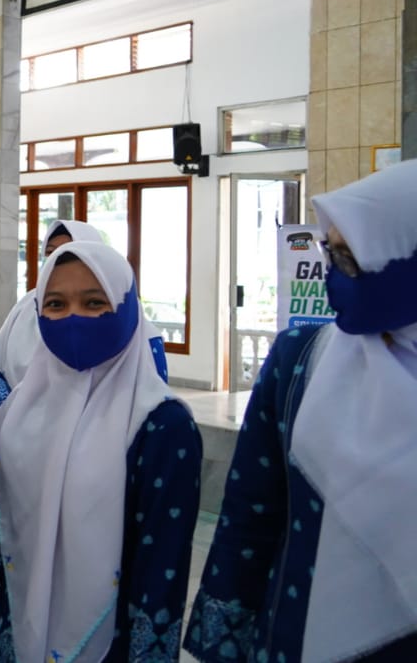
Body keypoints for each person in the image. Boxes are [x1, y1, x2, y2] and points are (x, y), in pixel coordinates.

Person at [184, 160, 417, 662]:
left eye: (352, 259)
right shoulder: (300, 361)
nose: (333, 276)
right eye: (328, 253)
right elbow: (250, 515)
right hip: (295, 633)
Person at [0, 241, 202, 663]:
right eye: (55, 303)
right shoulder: (21, 412)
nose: (73, 318)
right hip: (16, 635)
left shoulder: (160, 424)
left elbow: (162, 575)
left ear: (126, 308)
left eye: (94, 302)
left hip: (109, 646)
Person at [0, 219, 170, 404]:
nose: (56, 259)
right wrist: (9, 408)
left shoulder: (136, 330)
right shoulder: (27, 306)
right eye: (50, 253)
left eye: (93, 303)